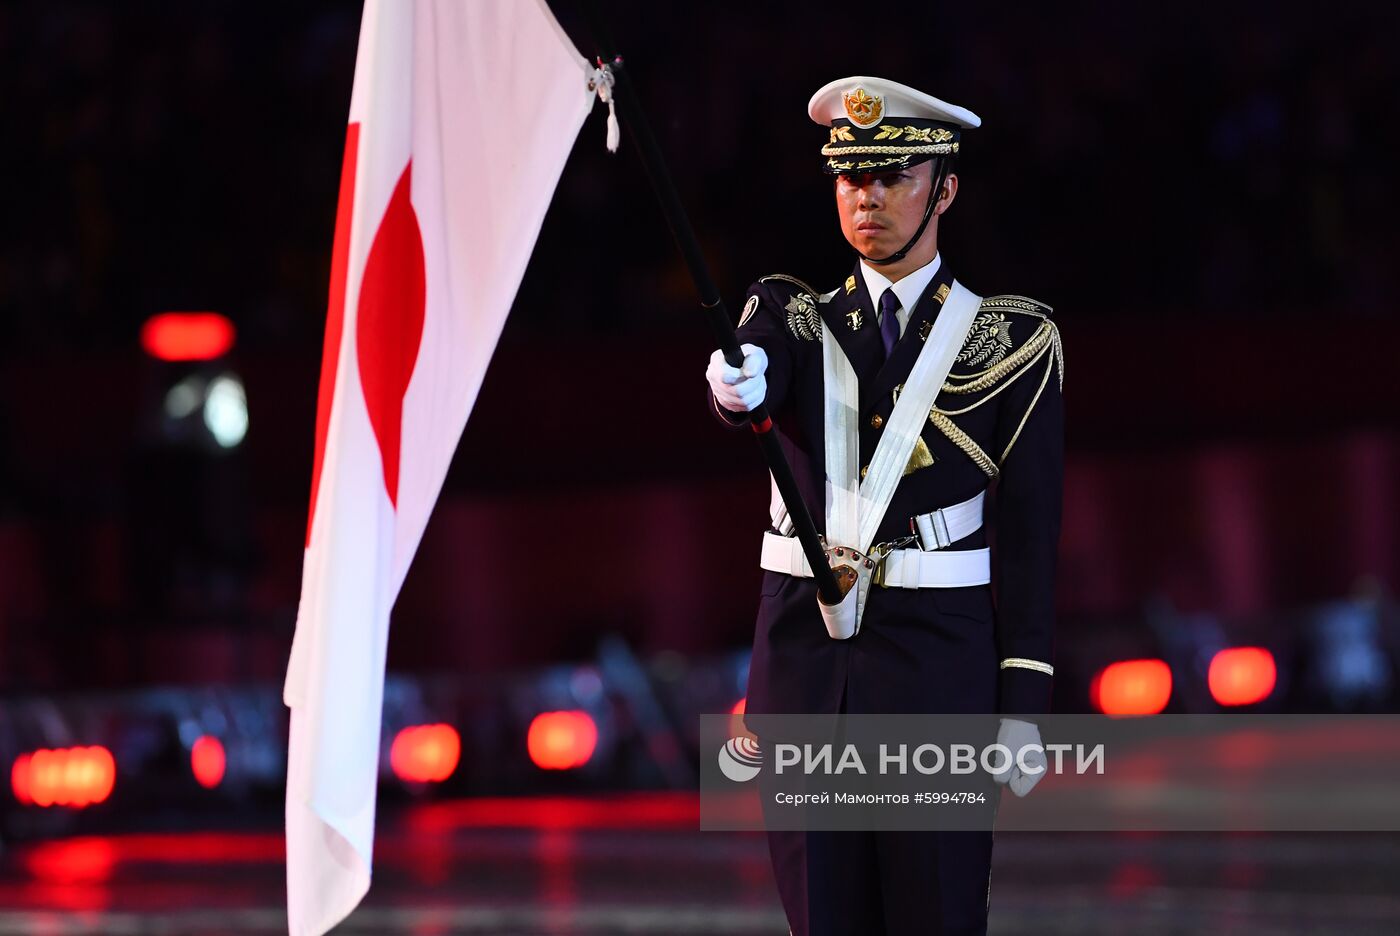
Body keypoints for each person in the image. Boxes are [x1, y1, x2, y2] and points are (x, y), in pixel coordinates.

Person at [704, 76, 1064, 935]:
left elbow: (1029, 537)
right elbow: (753, 369)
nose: (867, 196)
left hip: (938, 671)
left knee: (935, 913)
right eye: (850, 177)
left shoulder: (1015, 340)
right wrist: (732, 385)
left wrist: (1025, 702)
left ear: (945, 188)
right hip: (803, 666)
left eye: (893, 175)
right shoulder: (791, 316)